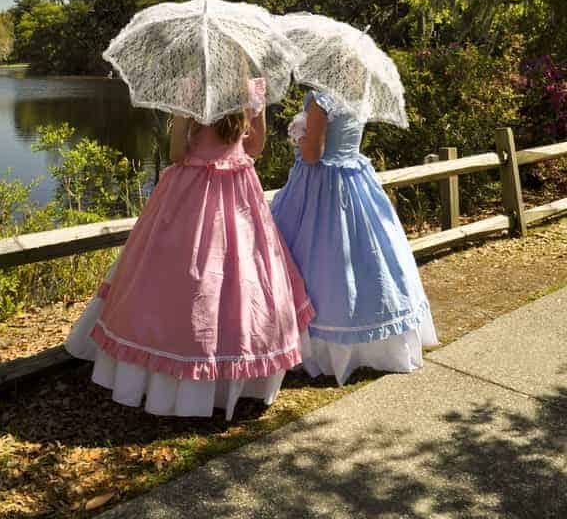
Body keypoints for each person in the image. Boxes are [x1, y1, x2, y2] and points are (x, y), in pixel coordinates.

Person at [65, 80, 314, 420]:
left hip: (190, 190)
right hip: (239, 189)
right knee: (244, 272)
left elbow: (177, 154)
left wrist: (182, 120)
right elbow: (255, 148)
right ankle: (236, 373)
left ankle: (169, 374)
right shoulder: (253, 90)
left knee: (180, 276)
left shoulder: (192, 89)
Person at [271, 90, 438, 384]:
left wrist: (299, 137)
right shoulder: (359, 92)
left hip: (321, 186)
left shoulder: (322, 99)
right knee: (367, 256)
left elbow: (313, 154)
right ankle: (372, 345)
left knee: (318, 259)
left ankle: (323, 349)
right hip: (354, 179)